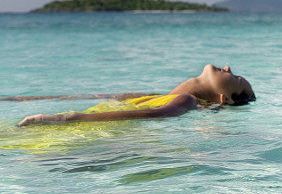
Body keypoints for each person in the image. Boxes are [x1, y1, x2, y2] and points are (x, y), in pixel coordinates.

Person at [11, 64, 255, 127]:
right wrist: (16, 100)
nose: (228, 67)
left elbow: (153, 115)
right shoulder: (155, 95)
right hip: (93, 121)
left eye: (236, 78)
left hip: (87, 126)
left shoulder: (188, 101)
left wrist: (66, 119)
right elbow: (95, 96)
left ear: (225, 98)